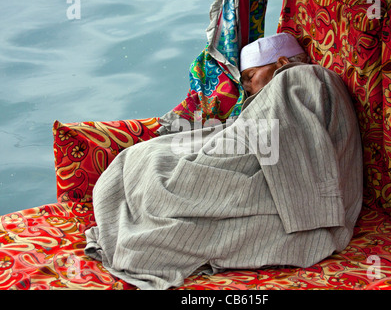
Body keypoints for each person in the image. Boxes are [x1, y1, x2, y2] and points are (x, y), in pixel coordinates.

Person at [84, 32, 363, 290]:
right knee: (144, 156)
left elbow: (295, 143)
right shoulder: (293, 82)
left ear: (280, 62)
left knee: (162, 176)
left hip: (292, 188)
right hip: (270, 163)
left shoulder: (302, 76)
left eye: (251, 77)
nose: (249, 88)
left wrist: (217, 152)